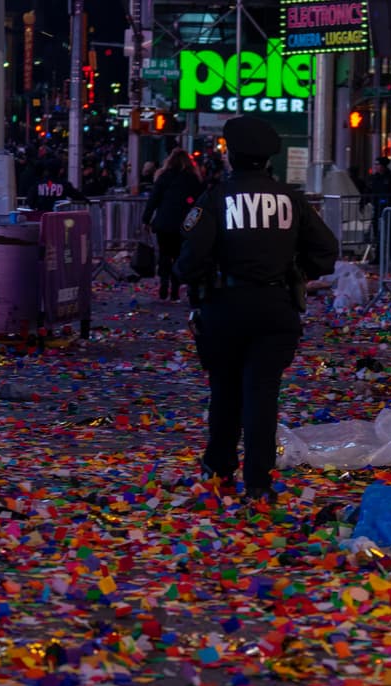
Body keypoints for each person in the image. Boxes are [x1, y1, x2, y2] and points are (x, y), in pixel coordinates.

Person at [174, 116, 338, 503]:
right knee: (262, 396)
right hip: (276, 308)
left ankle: (219, 467)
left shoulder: (215, 199)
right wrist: (296, 272)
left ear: (231, 155)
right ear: (268, 159)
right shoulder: (291, 200)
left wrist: (201, 279)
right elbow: (326, 252)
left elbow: (189, 261)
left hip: (225, 308)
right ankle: (259, 482)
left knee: (225, 392)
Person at [142, 148, 203, 301]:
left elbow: (153, 200)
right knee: (179, 255)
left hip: (164, 223)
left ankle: (164, 282)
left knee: (164, 253)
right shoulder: (193, 179)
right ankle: (175, 288)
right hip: (184, 224)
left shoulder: (163, 177)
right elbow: (199, 202)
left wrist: (146, 219)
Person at [366, 155, 391, 251]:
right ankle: (378, 255)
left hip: (389, 210)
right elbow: (370, 190)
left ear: (383, 166)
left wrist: (386, 202)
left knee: (390, 234)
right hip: (378, 209)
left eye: (377, 164)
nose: (375, 167)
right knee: (377, 233)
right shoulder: (375, 178)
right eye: (375, 164)